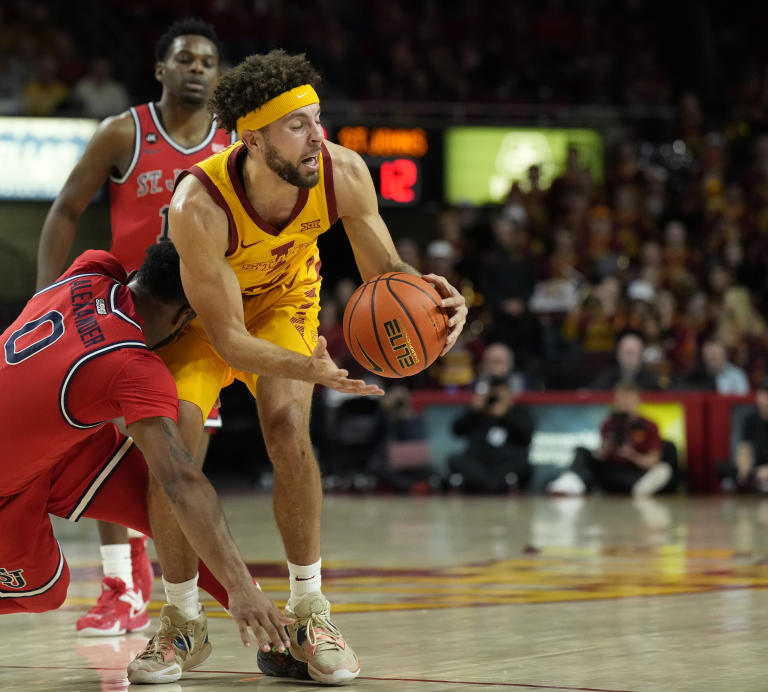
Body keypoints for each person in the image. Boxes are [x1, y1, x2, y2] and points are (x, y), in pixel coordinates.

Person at [137, 50, 467, 685]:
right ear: (254, 139)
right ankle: (181, 620)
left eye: (318, 118)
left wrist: (438, 308)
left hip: (287, 302)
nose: (318, 135)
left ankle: (311, 607)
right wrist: (315, 368)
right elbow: (230, 340)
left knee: (288, 431)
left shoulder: (343, 172)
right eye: (298, 125)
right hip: (207, 322)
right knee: (175, 450)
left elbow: (386, 277)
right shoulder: (197, 204)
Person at [0, 243, 292, 675]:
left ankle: (276, 632)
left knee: (161, 510)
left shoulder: (92, 267)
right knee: (46, 594)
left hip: (50, 450)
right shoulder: (133, 368)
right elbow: (184, 482)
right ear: (183, 315)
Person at [36, 18, 231, 637]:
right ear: (161, 70)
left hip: (197, 322)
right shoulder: (124, 132)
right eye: (185, 58)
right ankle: (121, 583)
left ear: (219, 76)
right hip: (125, 314)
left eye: (207, 60)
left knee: (175, 463)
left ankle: (170, 588)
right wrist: (47, 297)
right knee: (104, 446)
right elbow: (66, 210)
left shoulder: (232, 144)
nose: (197, 67)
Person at [547, 382, 672, 496]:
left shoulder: (649, 426)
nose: (625, 404)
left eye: (629, 399)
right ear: (616, 402)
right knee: (581, 451)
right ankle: (570, 482)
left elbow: (652, 461)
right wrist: (604, 449)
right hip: (610, 470)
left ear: (637, 401)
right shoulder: (609, 424)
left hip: (635, 470)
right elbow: (601, 456)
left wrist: (631, 454)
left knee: (662, 469)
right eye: (621, 400)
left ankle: (641, 485)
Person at [447, 375, 535, 493]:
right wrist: (473, 411)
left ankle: (489, 485)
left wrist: (506, 414)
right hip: (479, 462)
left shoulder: (519, 412)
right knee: (456, 460)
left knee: (524, 464)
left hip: (506, 462)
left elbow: (527, 436)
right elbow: (456, 431)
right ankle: (491, 484)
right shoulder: (478, 412)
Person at [718, 378, 768, 493]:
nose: (766, 401)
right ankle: (754, 484)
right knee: (722, 467)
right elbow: (745, 447)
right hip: (756, 468)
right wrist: (743, 468)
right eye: (764, 395)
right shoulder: (751, 419)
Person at [589, 332, 661, 391]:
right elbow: (592, 392)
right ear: (618, 355)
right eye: (626, 352)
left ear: (641, 355)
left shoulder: (651, 379)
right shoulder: (608, 376)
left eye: (632, 353)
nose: (629, 358)